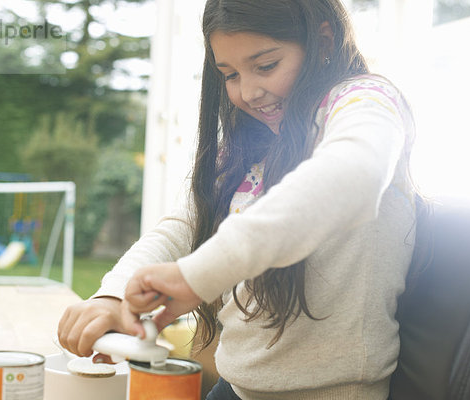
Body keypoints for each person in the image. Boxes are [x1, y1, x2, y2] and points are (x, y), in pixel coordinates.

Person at [58, 0, 418, 398]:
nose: (248, 92)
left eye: (265, 66)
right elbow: (186, 225)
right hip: (235, 388)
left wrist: (198, 276)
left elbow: (352, 176)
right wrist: (115, 294)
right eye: (229, 74)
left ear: (324, 39)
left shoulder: (365, 102)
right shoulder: (261, 139)